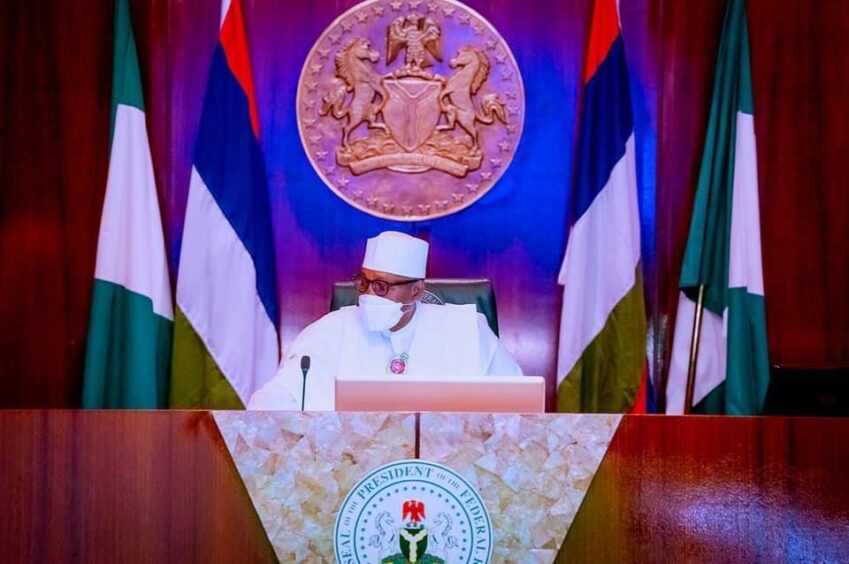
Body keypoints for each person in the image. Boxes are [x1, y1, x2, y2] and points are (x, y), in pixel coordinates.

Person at [248, 231, 523, 410]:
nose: (368, 294)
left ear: (415, 291)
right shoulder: (329, 330)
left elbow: (521, 404)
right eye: (364, 282)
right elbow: (273, 399)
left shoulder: (466, 330)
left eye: (381, 286)